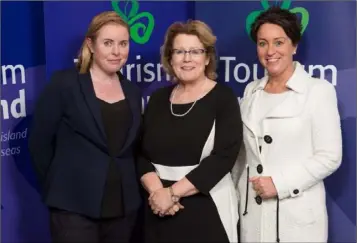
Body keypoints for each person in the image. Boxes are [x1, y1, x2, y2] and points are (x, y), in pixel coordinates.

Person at [28, 11, 142, 243]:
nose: (116, 52)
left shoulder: (131, 90)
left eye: (123, 43)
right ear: (90, 44)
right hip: (73, 208)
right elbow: (39, 143)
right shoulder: (65, 84)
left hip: (122, 209)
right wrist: (59, 186)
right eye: (108, 43)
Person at [232, 6, 343, 243]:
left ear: (294, 46)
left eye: (279, 42)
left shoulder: (318, 91)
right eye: (263, 43)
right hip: (253, 216)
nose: (270, 51)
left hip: (296, 218)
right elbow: (242, 157)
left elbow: (330, 156)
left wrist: (279, 183)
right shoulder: (251, 91)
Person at [137, 20, 243, 243]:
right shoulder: (157, 100)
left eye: (195, 51)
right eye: (179, 51)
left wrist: (172, 193)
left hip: (206, 207)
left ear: (207, 58)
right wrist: (158, 193)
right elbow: (140, 152)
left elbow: (224, 157)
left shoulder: (223, 98)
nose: (187, 58)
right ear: (170, 58)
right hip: (157, 208)